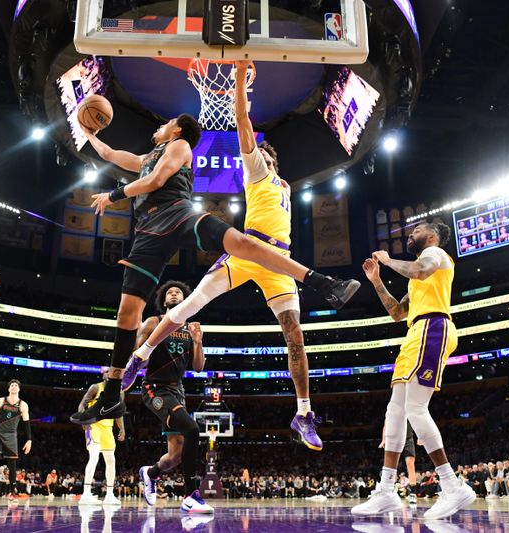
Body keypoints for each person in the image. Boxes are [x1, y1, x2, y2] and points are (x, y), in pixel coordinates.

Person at [70, 113, 360, 425]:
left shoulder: (180, 146)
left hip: (178, 213)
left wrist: (113, 194)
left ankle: (321, 283)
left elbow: (155, 181)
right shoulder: (147, 157)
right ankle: (113, 394)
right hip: (148, 229)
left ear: (177, 129)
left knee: (241, 243)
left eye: (165, 123)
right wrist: (90, 133)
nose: (159, 126)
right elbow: (110, 155)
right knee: (128, 314)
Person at [121, 60, 322, 450]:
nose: (259, 156)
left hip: (277, 261)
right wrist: (239, 84)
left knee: (295, 336)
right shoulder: (255, 172)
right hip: (250, 251)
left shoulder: (285, 186)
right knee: (189, 306)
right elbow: (243, 122)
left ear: (274, 160)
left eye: (265, 155)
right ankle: (140, 356)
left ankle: (302, 413)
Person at [353, 222, 475, 519]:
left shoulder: (436, 255)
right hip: (414, 333)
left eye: (416, 231)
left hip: (433, 327)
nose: (410, 235)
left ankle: (452, 485)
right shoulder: (418, 275)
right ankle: (386, 490)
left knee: (416, 409)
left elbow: (419, 270)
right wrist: (377, 281)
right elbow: (397, 313)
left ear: (431, 237)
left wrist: (387, 260)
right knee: (395, 411)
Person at [135, 281, 213, 514]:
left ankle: (150, 473)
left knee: (175, 457)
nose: (174, 293)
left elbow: (198, 367)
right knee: (191, 429)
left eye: (178, 292)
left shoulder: (191, 329)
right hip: (155, 388)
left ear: (186, 299)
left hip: (177, 390)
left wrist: (198, 342)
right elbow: (139, 358)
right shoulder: (154, 322)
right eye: (170, 292)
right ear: (164, 300)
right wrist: (152, 340)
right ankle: (191, 495)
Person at [77, 368, 125, 506]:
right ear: (104, 375)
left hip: (107, 428)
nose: (110, 374)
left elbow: (119, 413)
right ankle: (86, 493)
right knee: (94, 457)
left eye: (113, 372)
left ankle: (109, 495)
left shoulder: (119, 392)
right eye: (107, 372)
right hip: (94, 425)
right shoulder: (95, 388)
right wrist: (83, 419)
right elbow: (82, 404)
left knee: (111, 460)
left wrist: (122, 428)